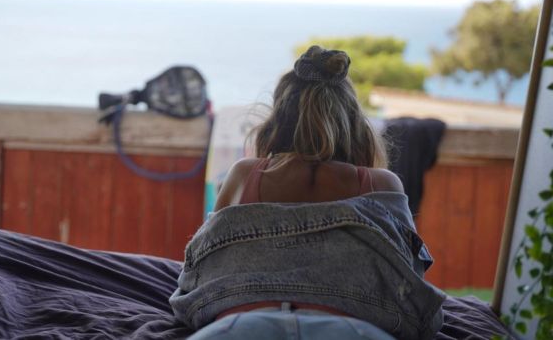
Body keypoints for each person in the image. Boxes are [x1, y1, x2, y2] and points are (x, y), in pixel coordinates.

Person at [170, 46, 445, 340]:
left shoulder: (244, 174)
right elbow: (409, 280)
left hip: (240, 325)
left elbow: (201, 268)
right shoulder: (382, 183)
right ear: (355, 124)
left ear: (277, 121)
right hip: (354, 329)